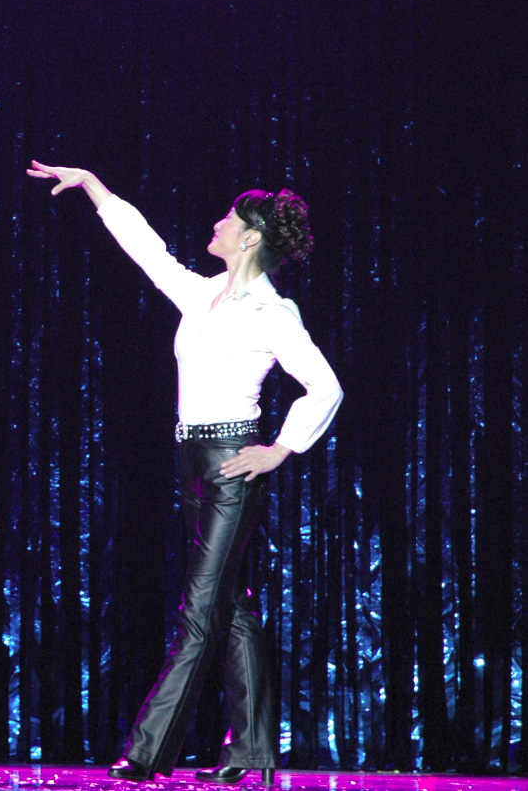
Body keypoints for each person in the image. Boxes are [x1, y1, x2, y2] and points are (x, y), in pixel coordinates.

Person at [27, 161, 342, 784]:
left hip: (231, 464)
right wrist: (94, 186)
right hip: (193, 462)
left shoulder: (272, 312)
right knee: (231, 608)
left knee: (198, 611)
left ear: (250, 237)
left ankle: (147, 754)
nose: (217, 223)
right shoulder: (203, 294)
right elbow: (147, 249)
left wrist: (279, 449)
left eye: (229, 218)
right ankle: (252, 754)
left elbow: (325, 386)